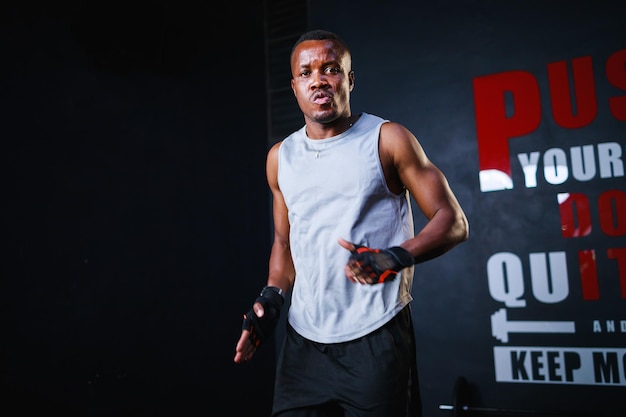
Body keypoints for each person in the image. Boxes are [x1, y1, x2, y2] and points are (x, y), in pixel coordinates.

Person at [234, 29, 469, 417]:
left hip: (375, 337)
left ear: (349, 79)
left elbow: (454, 221)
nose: (319, 80)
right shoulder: (281, 158)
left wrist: (394, 256)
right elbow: (284, 244)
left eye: (330, 69)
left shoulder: (387, 139)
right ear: (294, 87)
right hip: (304, 343)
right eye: (306, 73)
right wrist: (271, 299)